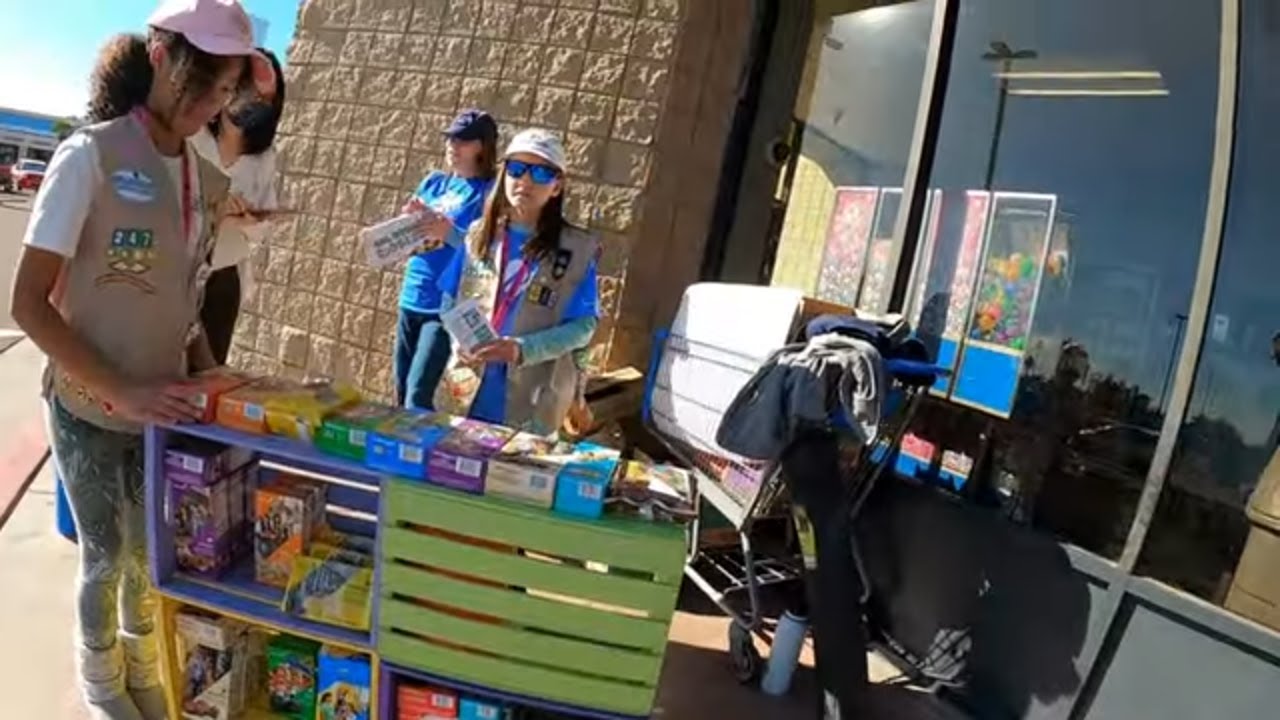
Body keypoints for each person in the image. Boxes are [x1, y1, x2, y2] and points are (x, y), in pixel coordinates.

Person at [8, 2, 268, 718]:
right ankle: (99, 683)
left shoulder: (203, 180)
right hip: (91, 405)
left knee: (150, 555)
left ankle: (143, 670)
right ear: (161, 58)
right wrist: (121, 388)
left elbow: (186, 302)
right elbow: (27, 304)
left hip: (163, 409)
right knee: (105, 553)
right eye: (204, 86)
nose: (212, 106)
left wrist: (211, 371)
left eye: (223, 94)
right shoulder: (90, 156)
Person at [432, 129, 600, 435]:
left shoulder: (576, 249)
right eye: (517, 169)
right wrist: (462, 338)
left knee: (512, 477)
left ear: (557, 185)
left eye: (540, 172)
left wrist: (522, 349)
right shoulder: (477, 235)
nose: (525, 181)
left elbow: (584, 326)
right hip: (469, 387)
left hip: (533, 395)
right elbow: (447, 302)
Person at [396, 109, 499, 410]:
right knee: (401, 390)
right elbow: (415, 237)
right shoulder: (435, 182)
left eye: (463, 140)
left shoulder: (490, 192)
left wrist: (451, 233)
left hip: (445, 305)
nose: (453, 147)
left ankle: (419, 453)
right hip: (411, 294)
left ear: (482, 146)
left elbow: (491, 249)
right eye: (451, 139)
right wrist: (407, 223)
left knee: (418, 394)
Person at [190, 47, 286, 365]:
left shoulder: (263, 158)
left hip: (224, 275)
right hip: (180, 270)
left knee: (210, 370)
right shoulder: (193, 137)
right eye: (246, 92)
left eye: (263, 100)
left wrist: (247, 220)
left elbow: (265, 228)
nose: (253, 105)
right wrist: (214, 213)